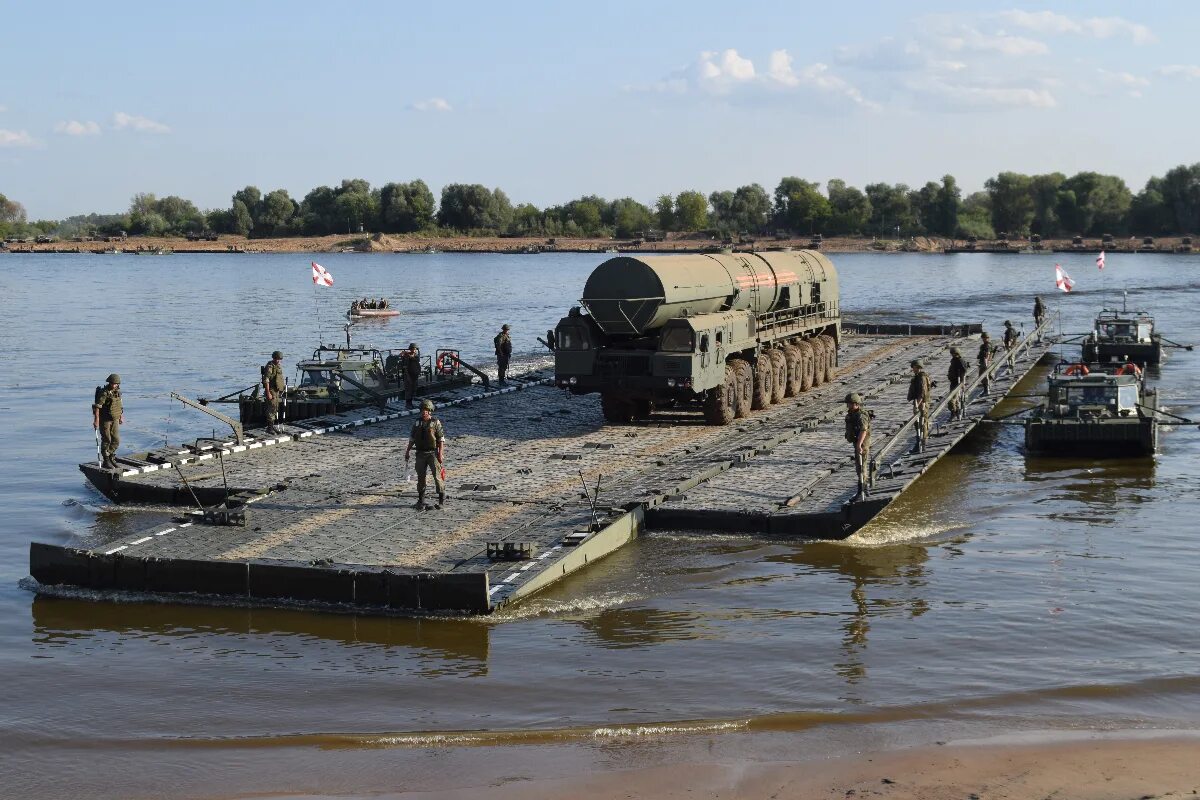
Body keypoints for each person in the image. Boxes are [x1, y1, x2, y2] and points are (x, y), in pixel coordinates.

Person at [405, 399, 445, 509]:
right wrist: (408, 451)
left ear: (430, 411)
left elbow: (441, 439)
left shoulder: (435, 422)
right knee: (421, 478)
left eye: (426, 410)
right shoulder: (417, 423)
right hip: (420, 454)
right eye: (423, 410)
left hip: (432, 454)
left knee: (437, 477)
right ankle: (421, 500)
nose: (424, 412)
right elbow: (412, 438)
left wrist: (440, 454)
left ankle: (441, 500)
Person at [92, 373, 124, 470]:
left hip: (114, 418)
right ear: (109, 382)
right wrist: (96, 420)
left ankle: (111, 456)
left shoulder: (117, 392)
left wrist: (121, 416)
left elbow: (119, 405)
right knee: (107, 439)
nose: (114, 385)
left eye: (116, 383)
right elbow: (97, 407)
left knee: (116, 440)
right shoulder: (104, 393)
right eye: (112, 383)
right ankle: (106, 460)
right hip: (105, 419)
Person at [844, 393, 871, 503]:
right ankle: (864, 490)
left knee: (861, 467)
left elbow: (863, 430)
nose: (848, 406)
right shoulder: (852, 414)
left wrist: (859, 445)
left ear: (855, 404)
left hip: (862, 444)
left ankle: (862, 491)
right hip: (857, 443)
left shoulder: (861, 416)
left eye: (849, 404)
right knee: (859, 468)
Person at [907, 359, 932, 454]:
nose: (912, 369)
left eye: (913, 367)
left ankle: (922, 444)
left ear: (917, 367)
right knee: (917, 424)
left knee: (922, 423)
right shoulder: (918, 377)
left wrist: (917, 404)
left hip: (922, 404)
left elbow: (922, 393)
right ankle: (919, 443)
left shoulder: (922, 378)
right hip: (919, 403)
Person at [262, 350, 286, 434]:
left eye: (279, 359)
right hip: (271, 390)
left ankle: (272, 426)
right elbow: (266, 380)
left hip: (276, 390)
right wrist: (268, 392)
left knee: (275, 407)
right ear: (273, 358)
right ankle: (269, 428)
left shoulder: (278, 366)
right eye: (276, 358)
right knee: (271, 408)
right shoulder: (270, 367)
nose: (278, 360)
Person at [947, 346, 969, 420]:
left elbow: (963, 372)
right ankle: (954, 413)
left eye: (954, 353)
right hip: (953, 382)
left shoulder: (960, 361)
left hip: (958, 383)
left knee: (951, 400)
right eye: (952, 353)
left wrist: (962, 383)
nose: (953, 355)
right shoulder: (953, 360)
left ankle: (956, 412)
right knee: (954, 400)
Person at [401, 342, 421, 408]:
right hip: (409, 375)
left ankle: (411, 402)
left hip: (415, 375)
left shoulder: (416, 356)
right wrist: (408, 377)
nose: (414, 350)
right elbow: (405, 368)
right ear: (410, 349)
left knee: (414, 389)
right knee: (408, 389)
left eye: (415, 349)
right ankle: (408, 403)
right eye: (413, 349)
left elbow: (417, 360)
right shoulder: (407, 357)